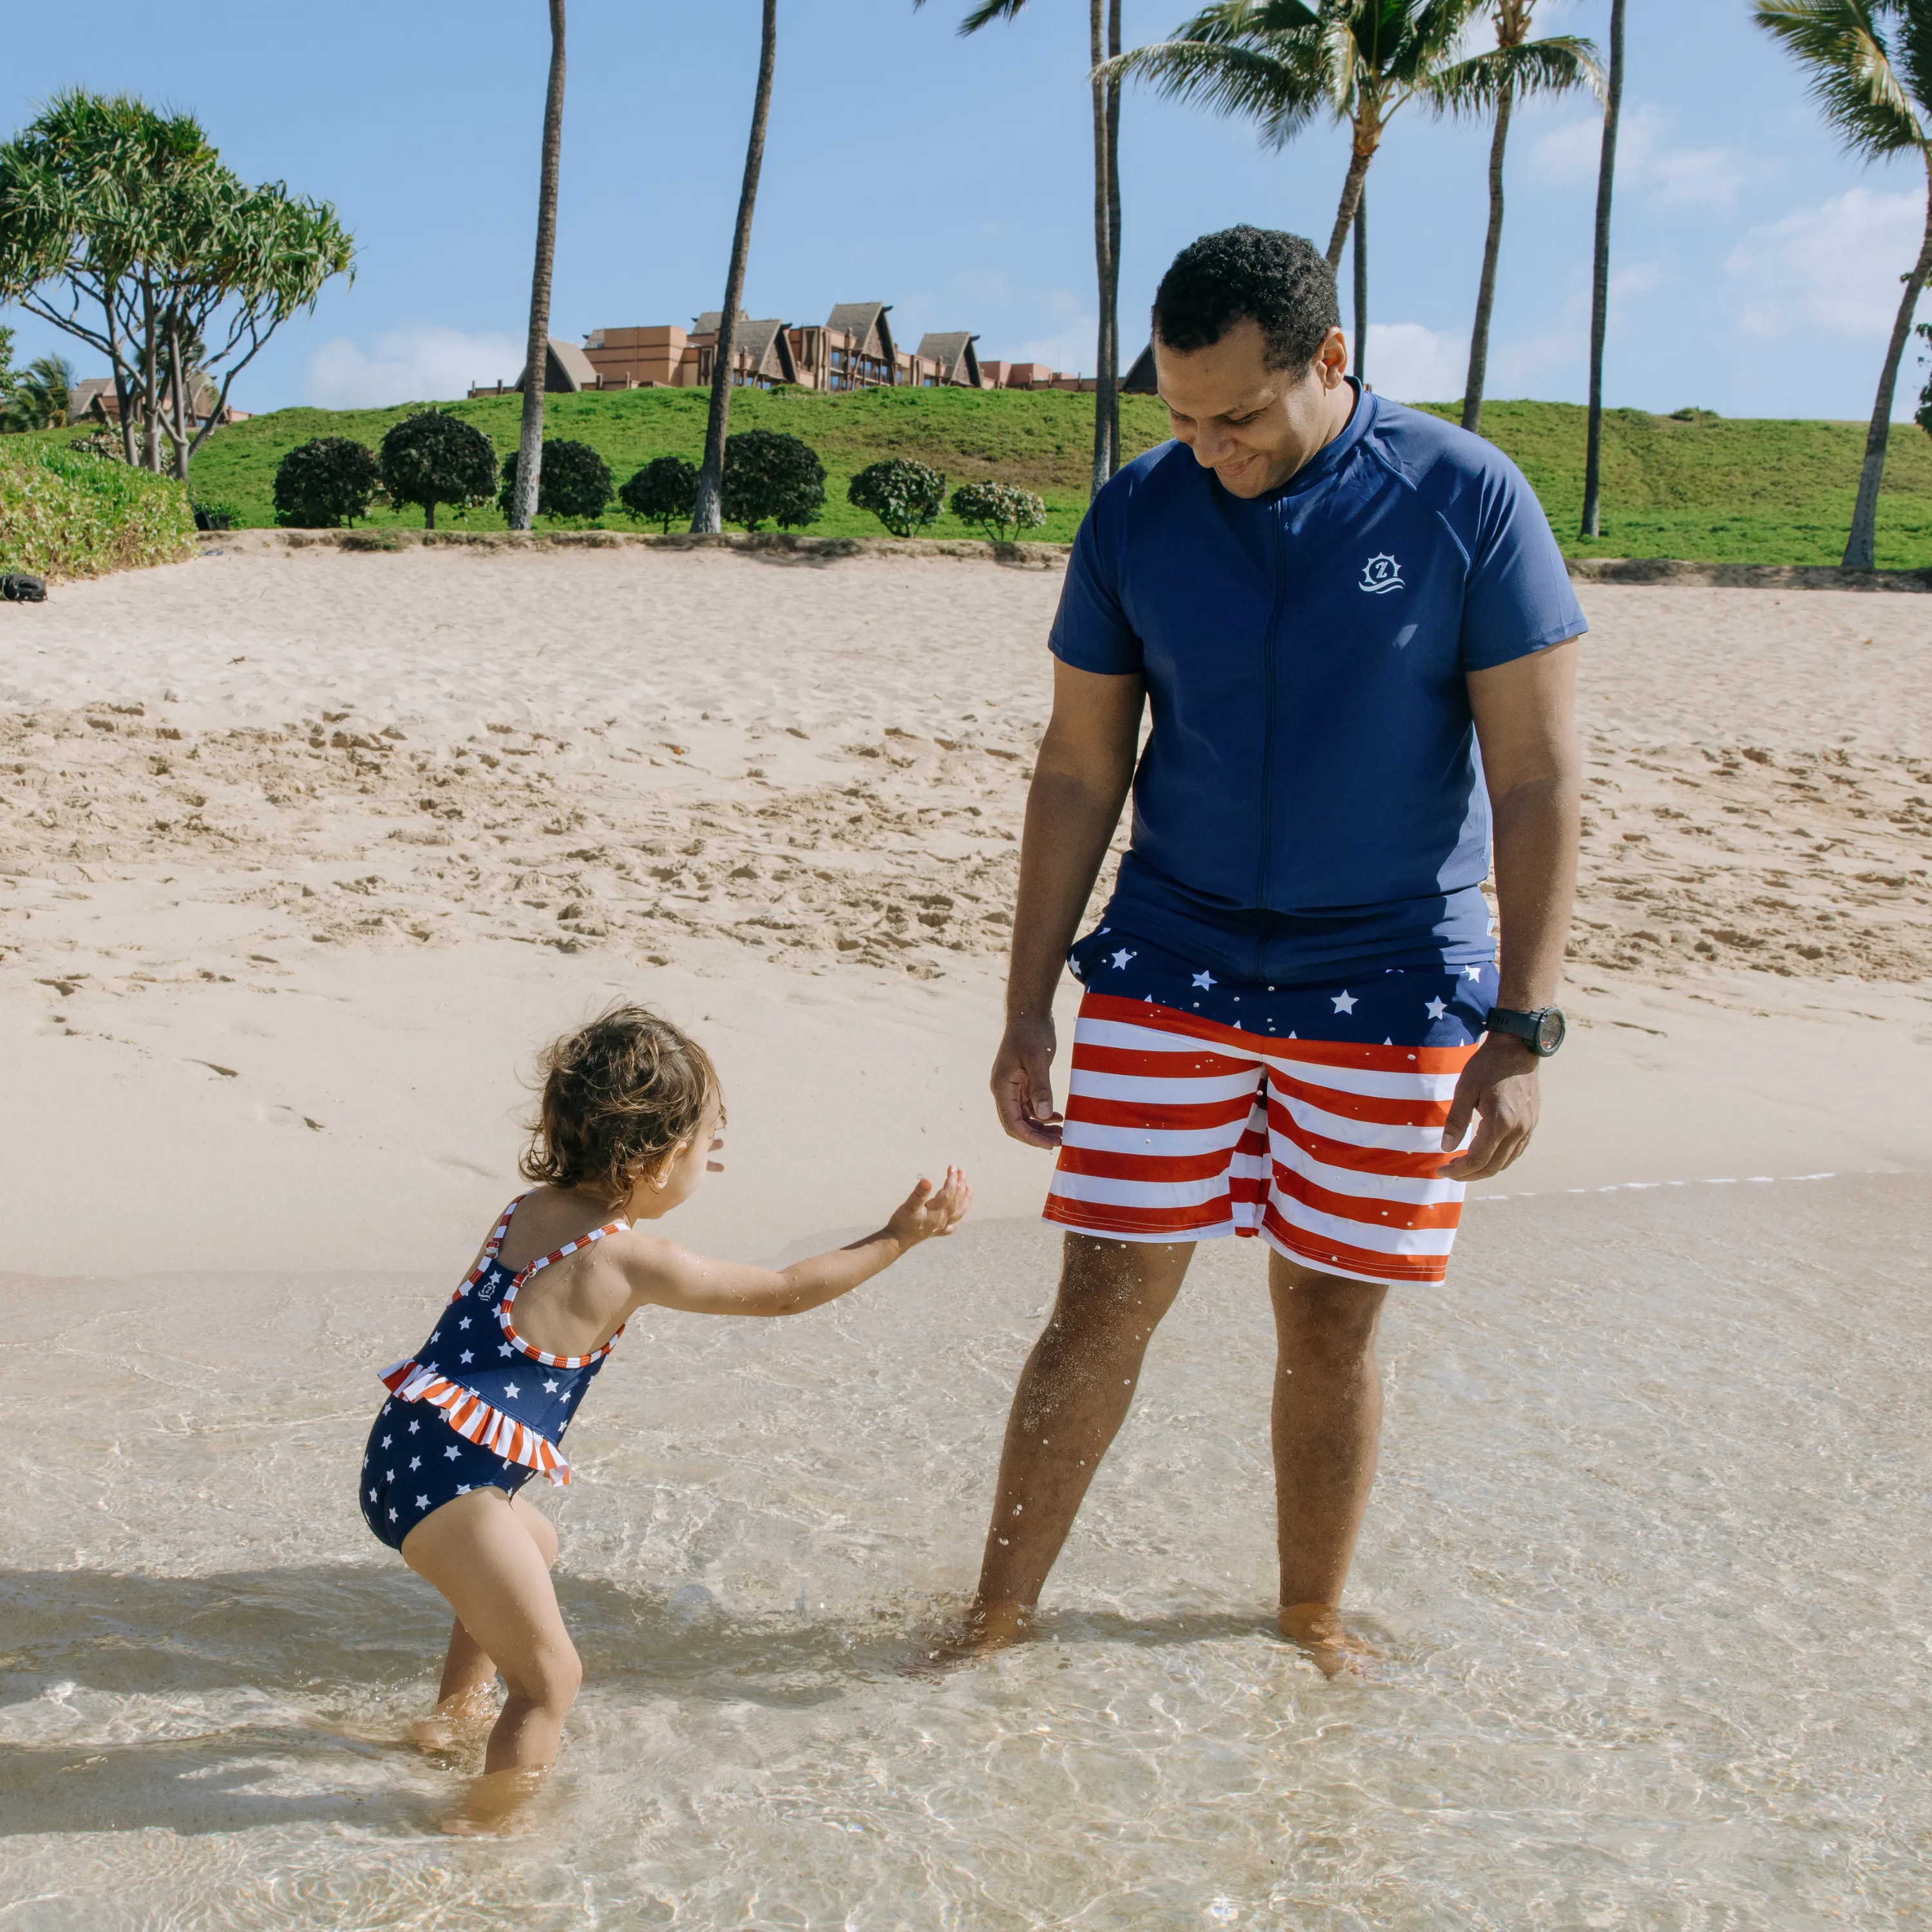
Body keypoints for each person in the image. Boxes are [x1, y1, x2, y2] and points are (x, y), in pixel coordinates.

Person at [972, 226, 1584, 1671]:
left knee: (1328, 1316)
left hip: (1394, 980)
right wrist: (1024, 1008)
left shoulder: (1465, 501)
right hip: (1170, 959)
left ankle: (1309, 1613)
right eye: (1180, 418)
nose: (1209, 450)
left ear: (1332, 360)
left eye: (1238, 417)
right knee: (1100, 1300)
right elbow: (1075, 770)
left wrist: (1523, 1028)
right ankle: (995, 1618)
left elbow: (1540, 779)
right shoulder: (1136, 514)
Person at [359, 1003, 969, 1828]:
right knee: (552, 1682)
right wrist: (898, 1238)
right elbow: (784, 1294)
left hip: (403, 1457)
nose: (716, 1155)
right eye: (710, 1140)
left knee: (534, 1547)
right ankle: (484, 1832)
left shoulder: (525, 1211)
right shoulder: (627, 1258)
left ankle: (454, 1714)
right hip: (456, 1488)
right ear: (657, 1156)